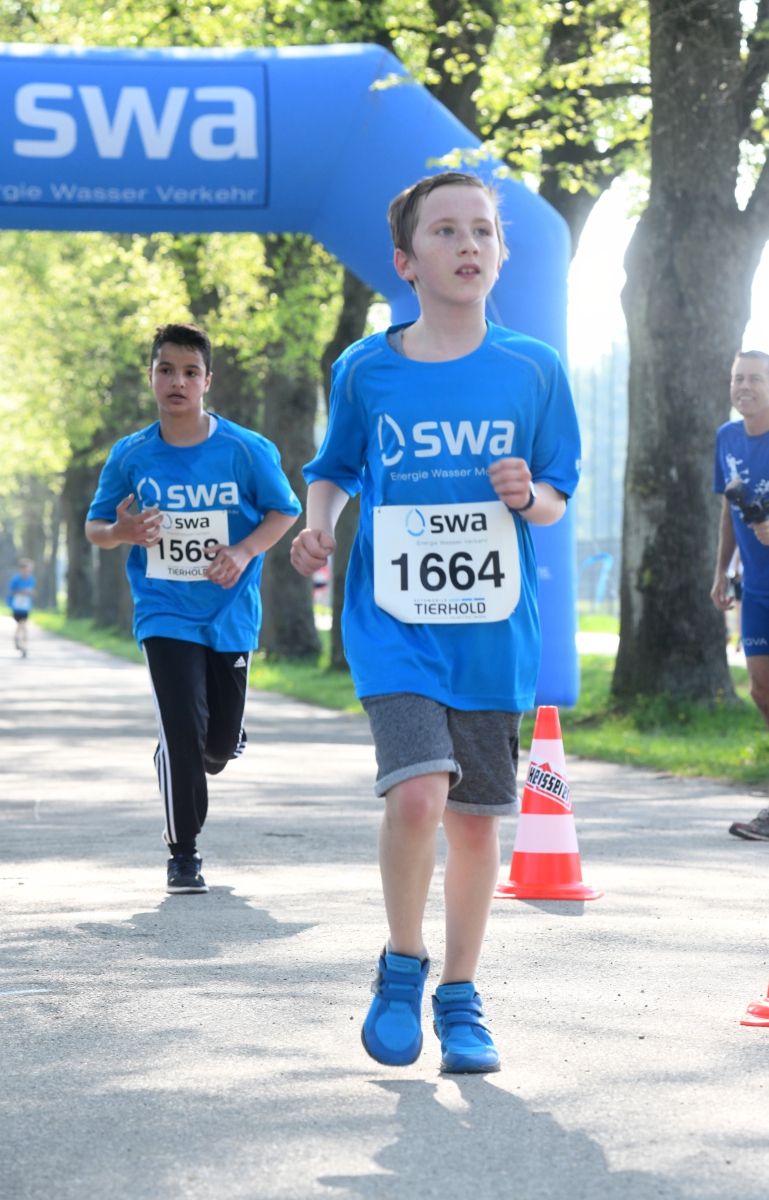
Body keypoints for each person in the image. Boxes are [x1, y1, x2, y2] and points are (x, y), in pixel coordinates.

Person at [291, 171, 580, 1073]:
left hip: (492, 629)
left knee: (475, 823)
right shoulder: (364, 368)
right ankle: (400, 964)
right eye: (445, 231)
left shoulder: (534, 369)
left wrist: (527, 495)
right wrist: (317, 523)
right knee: (417, 795)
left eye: (482, 230)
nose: (467, 244)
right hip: (394, 621)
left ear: (500, 252)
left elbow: (557, 496)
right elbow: (334, 467)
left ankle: (459, 996)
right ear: (405, 261)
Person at [86, 323, 300, 892]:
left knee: (216, 746)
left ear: (208, 381)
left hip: (230, 612)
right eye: (166, 370)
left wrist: (244, 551)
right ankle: (183, 853)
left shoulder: (245, 450)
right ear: (151, 377)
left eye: (189, 372)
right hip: (164, 610)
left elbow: (284, 510)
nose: (177, 381)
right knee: (181, 730)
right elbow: (96, 527)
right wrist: (120, 532)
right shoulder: (131, 455)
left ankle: (217, 737)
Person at [711, 350, 769, 840]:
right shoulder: (727, 437)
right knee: (762, 692)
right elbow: (729, 507)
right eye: (738, 378)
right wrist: (721, 569)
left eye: (755, 379)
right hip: (755, 585)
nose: (744, 386)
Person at [6, 558, 36, 657]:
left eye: (29, 570)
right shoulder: (16, 579)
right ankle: (20, 643)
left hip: (25, 607)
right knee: (22, 625)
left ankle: (22, 645)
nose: (27, 572)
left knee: (23, 626)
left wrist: (32, 593)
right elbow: (10, 592)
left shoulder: (32, 579)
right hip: (16, 607)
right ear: (21, 570)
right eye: (25, 570)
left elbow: (32, 591)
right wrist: (22, 592)